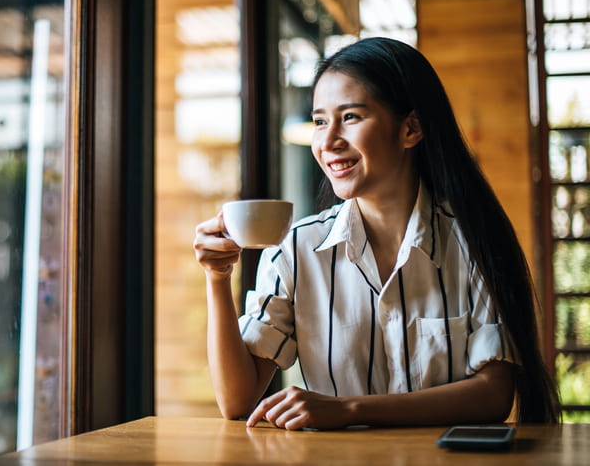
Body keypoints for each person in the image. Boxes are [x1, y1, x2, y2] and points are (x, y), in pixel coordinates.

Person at [193, 37, 561, 431]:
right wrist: (217, 279)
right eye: (320, 121)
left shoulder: (471, 241)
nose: (328, 141)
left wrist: (350, 410)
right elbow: (237, 401)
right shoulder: (295, 250)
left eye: (350, 117)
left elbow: (493, 395)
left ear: (411, 128)